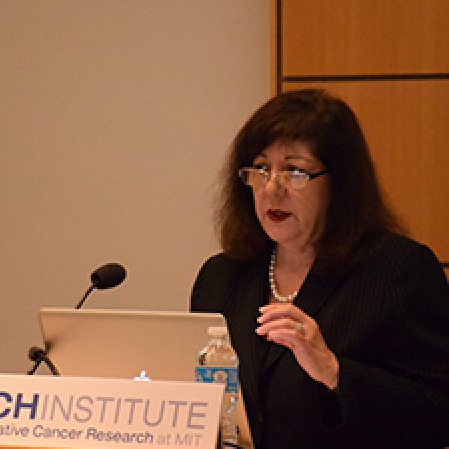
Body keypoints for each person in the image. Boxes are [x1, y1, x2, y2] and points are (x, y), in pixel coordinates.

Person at [190, 89, 449, 449]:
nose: (272, 189)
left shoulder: (398, 270)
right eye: (261, 168)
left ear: (339, 183)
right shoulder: (221, 277)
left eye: (294, 171)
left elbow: (438, 412)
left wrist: (332, 370)